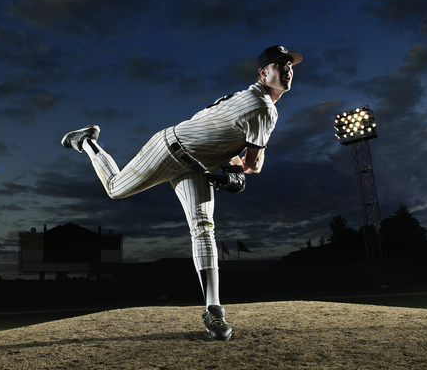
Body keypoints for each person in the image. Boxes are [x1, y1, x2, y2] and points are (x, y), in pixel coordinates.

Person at [60, 45, 302, 340]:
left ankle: (214, 310)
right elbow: (254, 164)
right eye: (280, 64)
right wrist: (237, 169)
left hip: (197, 164)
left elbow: (222, 136)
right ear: (264, 73)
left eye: (290, 64)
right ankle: (86, 141)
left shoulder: (245, 98)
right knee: (114, 189)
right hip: (168, 150)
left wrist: (234, 166)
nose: (288, 68)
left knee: (204, 228)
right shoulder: (262, 106)